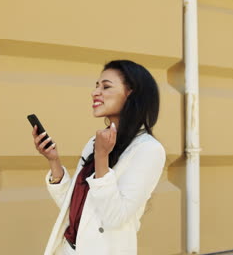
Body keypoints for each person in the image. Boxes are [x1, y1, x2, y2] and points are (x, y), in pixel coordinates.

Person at [31, 60, 166, 255]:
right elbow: (77, 209)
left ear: (131, 93)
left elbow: (114, 217)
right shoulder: (95, 142)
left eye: (106, 86)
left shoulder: (149, 150)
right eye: (96, 86)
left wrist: (102, 158)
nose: (95, 93)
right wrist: (54, 161)